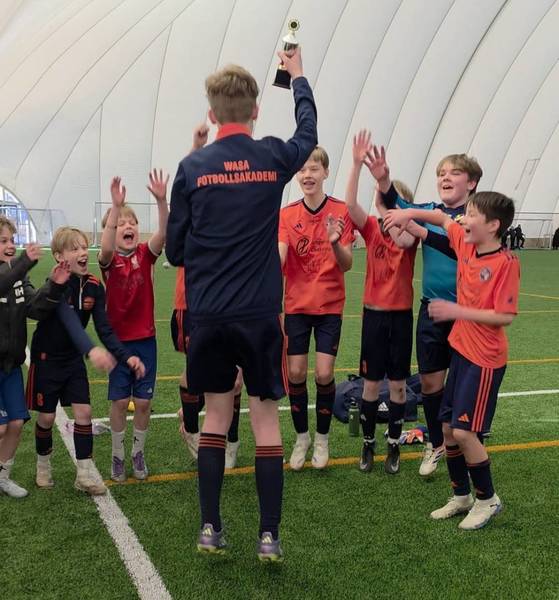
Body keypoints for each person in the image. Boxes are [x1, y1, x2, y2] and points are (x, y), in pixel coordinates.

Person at [166, 47, 317, 561]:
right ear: (255, 110)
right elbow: (308, 135)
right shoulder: (271, 156)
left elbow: (174, 251)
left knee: (215, 417)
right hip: (259, 316)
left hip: (209, 316)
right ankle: (268, 536)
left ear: (212, 114)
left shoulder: (192, 167)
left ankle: (210, 527)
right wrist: (298, 77)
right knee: (266, 421)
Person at [384, 191, 519, 529]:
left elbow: (504, 316)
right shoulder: (465, 243)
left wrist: (458, 311)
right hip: (461, 351)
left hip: (484, 360)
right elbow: (442, 219)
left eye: (471, 215)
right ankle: (461, 496)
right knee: (447, 429)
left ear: (493, 225)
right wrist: (408, 214)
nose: (463, 219)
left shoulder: (506, 264)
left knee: (464, 431)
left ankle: (487, 499)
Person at [370, 145, 483, 476]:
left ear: (472, 182)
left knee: (463, 386)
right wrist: (384, 179)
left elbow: (459, 247)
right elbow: (397, 202)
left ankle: (469, 441)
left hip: (467, 314)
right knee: (431, 384)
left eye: (454, 172)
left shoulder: (479, 216)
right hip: (432, 311)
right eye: (441, 173)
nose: (445, 177)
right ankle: (436, 444)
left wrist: (419, 227)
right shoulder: (429, 210)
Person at [28, 227, 144, 495]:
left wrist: (126, 356)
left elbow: (104, 328)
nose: (83, 253)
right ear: (59, 256)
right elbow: (69, 321)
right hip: (46, 359)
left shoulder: (93, 285)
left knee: (84, 414)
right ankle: (43, 465)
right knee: (46, 417)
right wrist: (91, 350)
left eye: (84, 247)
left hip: (73, 360)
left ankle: (84, 474)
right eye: (75, 249)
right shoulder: (56, 284)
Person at [344, 131, 419, 474]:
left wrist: (392, 210)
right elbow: (350, 206)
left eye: (391, 200)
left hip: (400, 317)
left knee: (399, 385)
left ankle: (394, 445)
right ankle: (368, 443)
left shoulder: (409, 233)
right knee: (371, 384)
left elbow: (402, 239)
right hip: (374, 316)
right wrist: (356, 165)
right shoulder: (372, 229)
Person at [278, 145, 353, 471]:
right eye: (302, 169)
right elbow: (280, 257)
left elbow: (347, 264)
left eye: (314, 168)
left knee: (323, 374)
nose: (307, 175)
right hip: (296, 306)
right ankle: (302, 437)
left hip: (329, 306)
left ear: (325, 172)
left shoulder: (340, 211)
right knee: (295, 373)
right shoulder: (287, 215)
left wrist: (335, 242)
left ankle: (322, 439)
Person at [98, 170, 168, 482]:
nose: (128, 227)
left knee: (143, 402)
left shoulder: (145, 255)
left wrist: (162, 201)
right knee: (117, 401)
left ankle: (138, 453)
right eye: (121, 224)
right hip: (119, 344)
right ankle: (117, 455)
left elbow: (163, 233)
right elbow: (105, 248)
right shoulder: (109, 261)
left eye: (133, 223)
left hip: (145, 341)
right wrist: (116, 207)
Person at [0, 218, 73, 498]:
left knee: (16, 423)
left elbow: (35, 308)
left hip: (12, 366)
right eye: (3, 241)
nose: (10, 245)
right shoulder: (13, 272)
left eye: (11, 240)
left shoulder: (18, 276)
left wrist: (54, 285)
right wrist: (24, 262)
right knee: (1, 426)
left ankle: (2, 476)